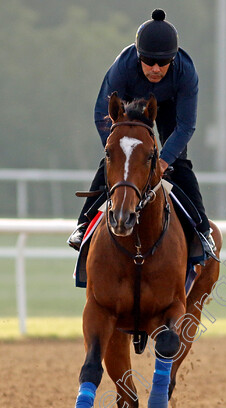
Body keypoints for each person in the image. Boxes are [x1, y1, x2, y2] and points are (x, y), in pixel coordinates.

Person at [68, 8, 214, 257]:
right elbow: (100, 113)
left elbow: (186, 125)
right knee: (114, 161)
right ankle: (83, 224)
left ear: (173, 59)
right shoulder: (123, 68)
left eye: (163, 63)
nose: (156, 68)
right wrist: (116, 151)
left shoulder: (186, 72)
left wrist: (164, 160)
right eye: (149, 62)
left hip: (168, 107)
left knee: (179, 163)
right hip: (128, 105)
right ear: (138, 56)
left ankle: (202, 229)